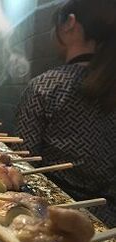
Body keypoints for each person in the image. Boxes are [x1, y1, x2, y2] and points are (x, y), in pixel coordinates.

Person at [16, 0, 116, 227]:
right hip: (109, 218)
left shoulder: (45, 86)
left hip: (54, 216)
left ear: (70, 24)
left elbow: (23, 161)